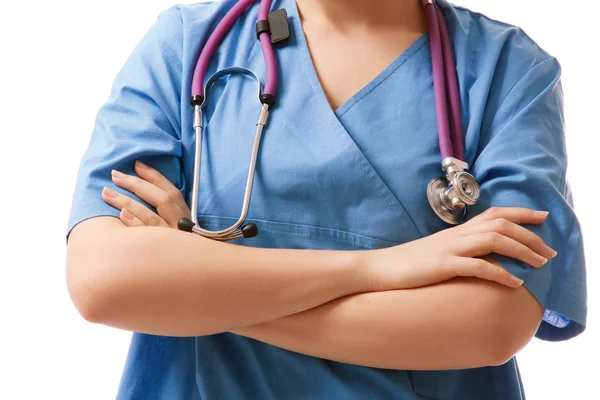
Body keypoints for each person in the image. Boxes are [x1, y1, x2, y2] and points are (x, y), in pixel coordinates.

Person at [65, 0, 587, 398]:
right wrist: (383, 268)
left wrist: (194, 284)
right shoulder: (189, 45)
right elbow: (103, 282)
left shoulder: (508, 71)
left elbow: (491, 325)